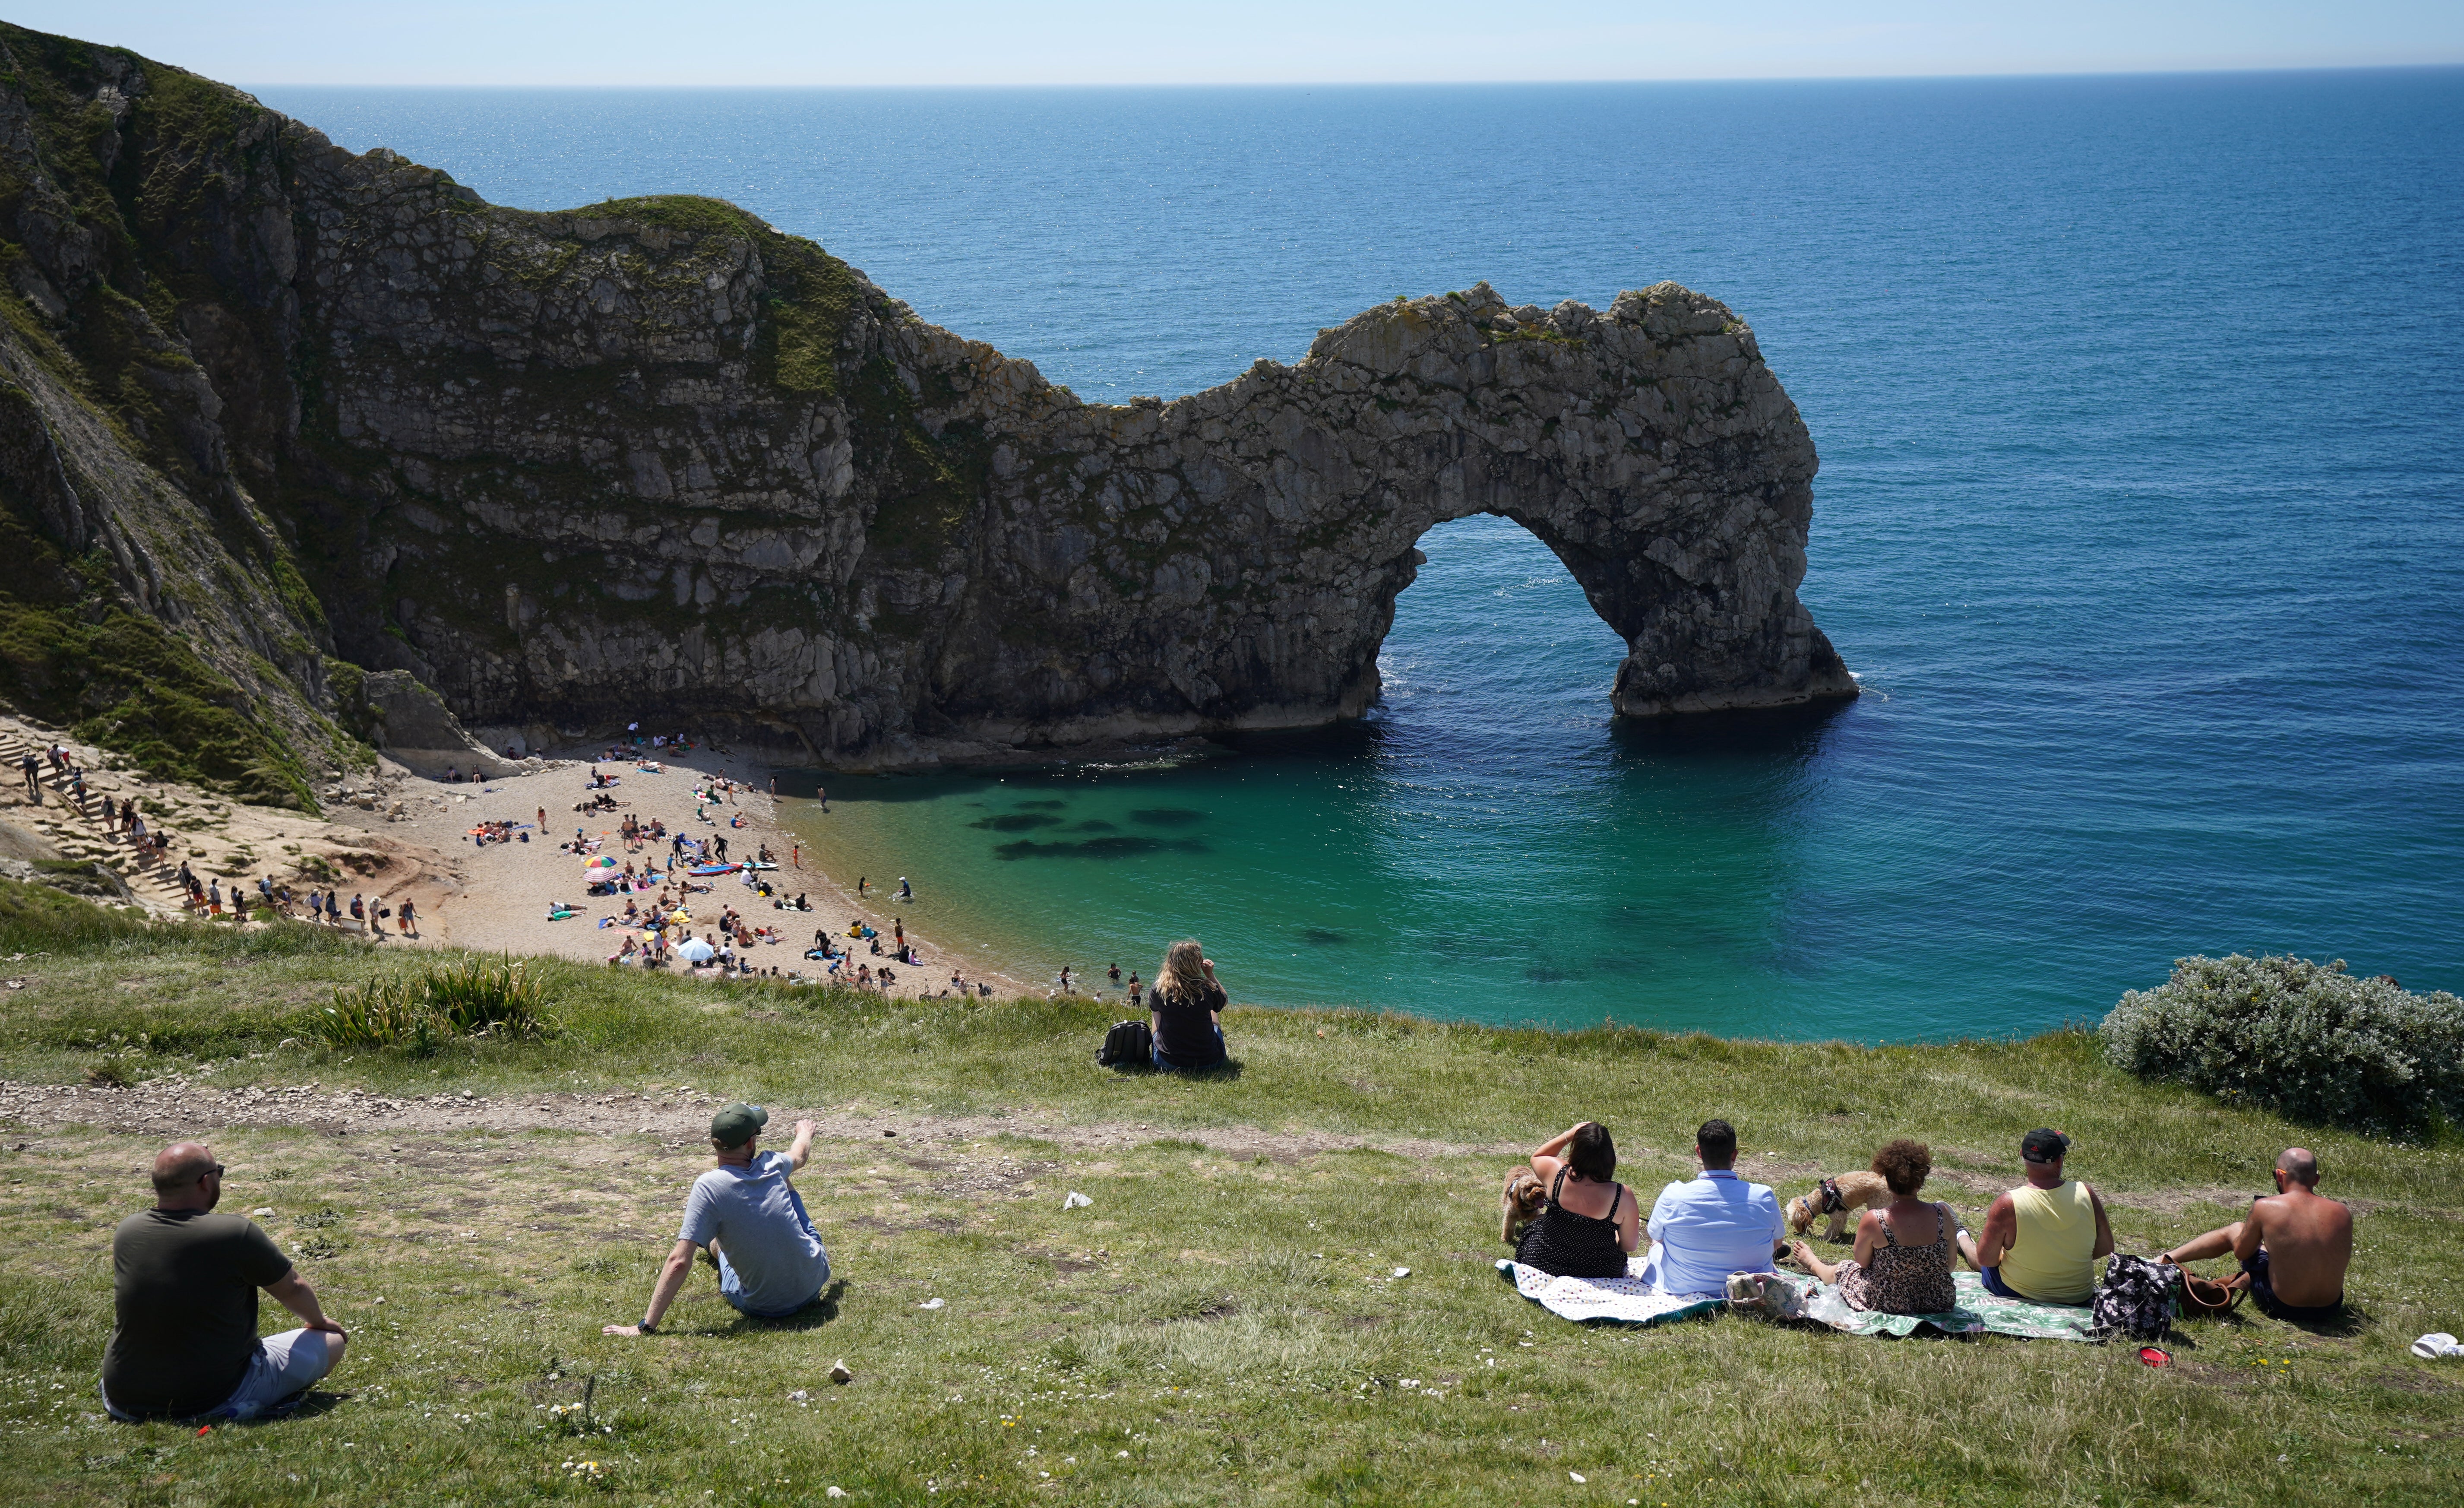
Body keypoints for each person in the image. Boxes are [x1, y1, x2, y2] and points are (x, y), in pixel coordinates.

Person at [101, 1143, 347, 1421]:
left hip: (123, 1397)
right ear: (206, 1181)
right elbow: (292, 1288)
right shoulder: (234, 1233)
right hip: (210, 1396)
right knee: (331, 1341)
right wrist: (319, 1321)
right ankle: (238, 1404)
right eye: (219, 1172)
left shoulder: (129, 1230)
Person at [607, 1105, 829, 1334]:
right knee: (783, 1176)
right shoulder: (772, 1163)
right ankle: (718, 1243)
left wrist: (646, 1327)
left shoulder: (709, 1186)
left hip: (765, 1305)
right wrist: (804, 1132)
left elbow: (680, 1262)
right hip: (815, 1280)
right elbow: (800, 1155)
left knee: (723, 1245)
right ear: (751, 1143)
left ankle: (716, 1245)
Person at [2159, 1147, 2350, 1322]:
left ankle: (2164, 1259)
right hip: (2330, 1307)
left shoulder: (2266, 1207)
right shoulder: (2343, 1212)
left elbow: (2242, 1253)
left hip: (2283, 1305)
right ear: (2316, 1180)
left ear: (2279, 1176)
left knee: (2235, 1230)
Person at [1790, 1140, 1959, 1315]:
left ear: (1885, 1178)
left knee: (1844, 1269)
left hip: (1890, 1301)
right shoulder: (1943, 1213)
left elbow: (1863, 1263)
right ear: (1921, 1180)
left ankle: (1813, 1263)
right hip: (1939, 1299)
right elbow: (1951, 1265)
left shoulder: (1875, 1219)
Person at [1958, 1128, 2112, 1305]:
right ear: (2060, 1161)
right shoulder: (2087, 1194)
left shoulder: (2008, 1203)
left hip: (2019, 1291)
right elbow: (2105, 1247)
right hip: (2078, 1295)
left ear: (2022, 1155)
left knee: (1981, 1256)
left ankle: (1961, 1236)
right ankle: (1961, 1236)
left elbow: (1986, 1260)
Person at [1638, 1118, 1787, 1296]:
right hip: (1751, 1290)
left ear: (1699, 1152)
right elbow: (1777, 1244)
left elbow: (1656, 1236)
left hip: (1683, 1287)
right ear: (1735, 1155)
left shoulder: (1673, 1194)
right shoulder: (1763, 1196)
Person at [1515, 1122, 1639, 1278]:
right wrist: (1615, 1235)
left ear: (1576, 1151)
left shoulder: (1557, 1173)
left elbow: (1538, 1157)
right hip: (1600, 1271)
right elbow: (1629, 1245)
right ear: (1610, 1157)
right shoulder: (1623, 1195)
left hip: (1543, 1260)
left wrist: (1569, 1135)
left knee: (1539, 1223)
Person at [1148, 940, 1228, 1071]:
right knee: (1214, 1008)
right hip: (1211, 1062)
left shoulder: (1159, 988)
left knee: (1156, 1010)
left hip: (1169, 1064)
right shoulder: (1208, 988)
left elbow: (1155, 1007)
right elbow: (1224, 1002)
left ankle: (1165, 1046)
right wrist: (1210, 975)